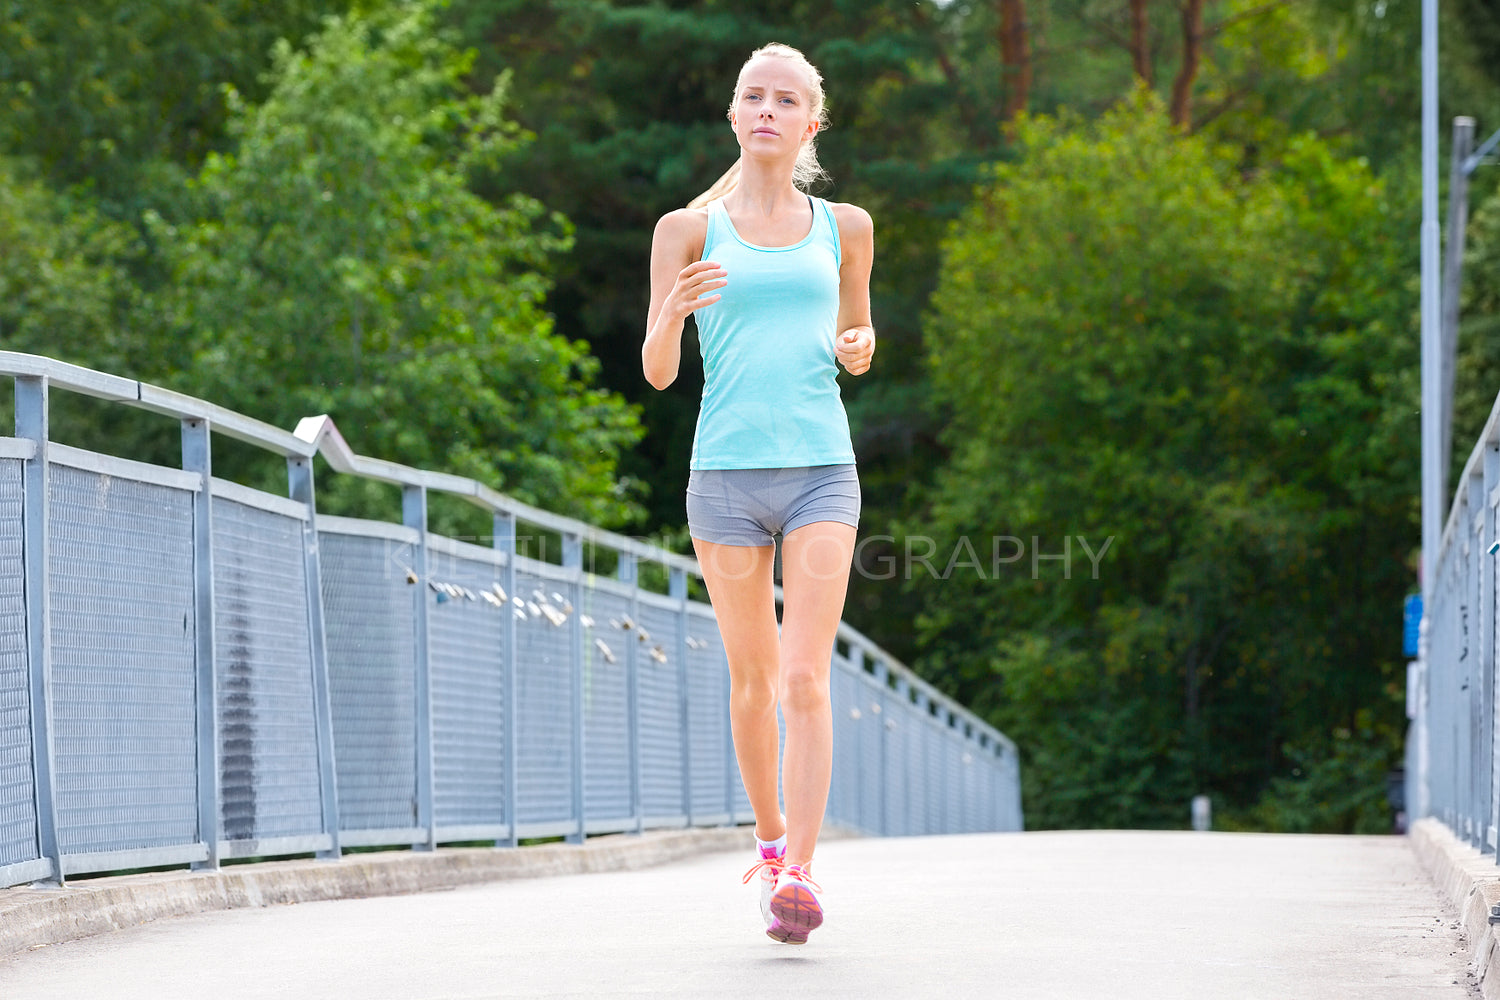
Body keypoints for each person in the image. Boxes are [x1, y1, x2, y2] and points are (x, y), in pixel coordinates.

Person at [642, 42, 875, 945]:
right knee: (755, 680)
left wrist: (859, 346)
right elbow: (660, 374)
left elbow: (859, 330)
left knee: (808, 678)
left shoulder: (845, 226)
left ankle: (804, 879)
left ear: (810, 123)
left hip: (822, 470)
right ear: (733, 117)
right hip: (725, 479)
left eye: (787, 99)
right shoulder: (686, 231)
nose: (768, 109)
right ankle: (771, 843)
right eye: (754, 96)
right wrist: (671, 313)